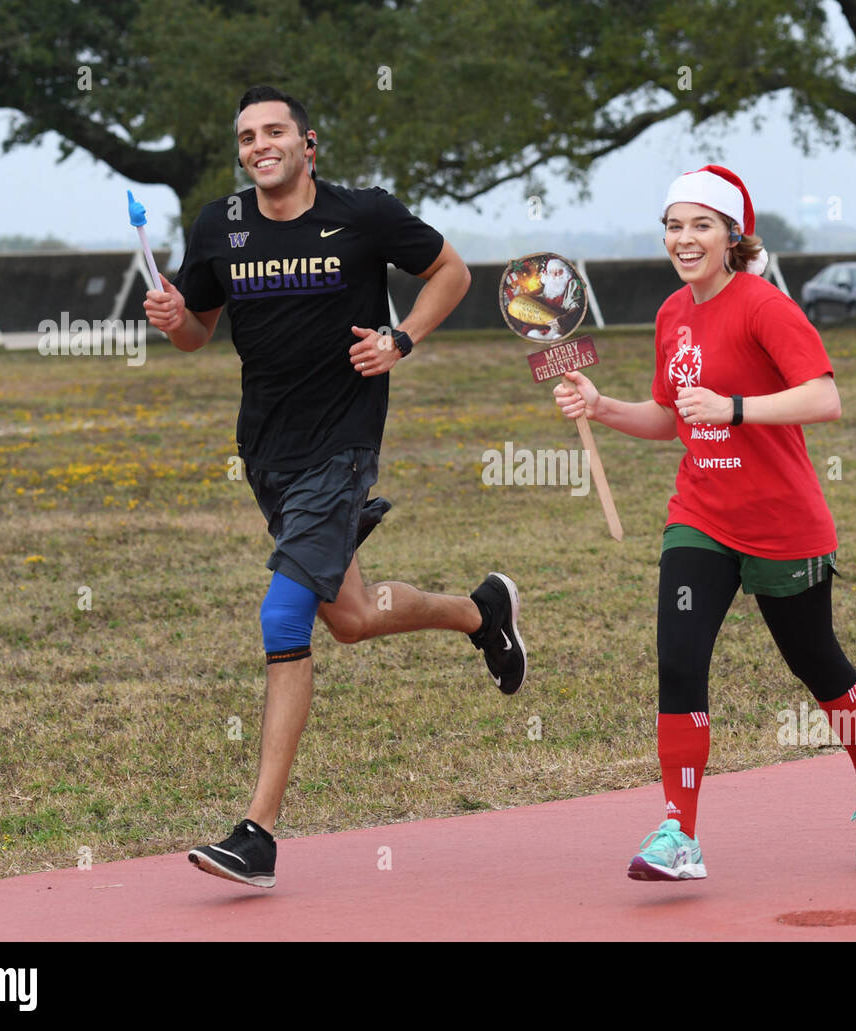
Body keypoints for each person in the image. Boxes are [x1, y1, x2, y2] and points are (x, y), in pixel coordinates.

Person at [143, 85, 526, 888]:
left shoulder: (365, 215)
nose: (260, 144)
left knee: (284, 612)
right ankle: (481, 611)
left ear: (308, 143)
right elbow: (195, 335)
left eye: (274, 130)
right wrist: (173, 314)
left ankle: (258, 831)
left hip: (343, 447)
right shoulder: (221, 225)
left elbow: (450, 272)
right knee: (349, 619)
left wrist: (402, 337)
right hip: (268, 454)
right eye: (247, 135)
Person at [553, 165, 856, 879]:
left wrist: (737, 407)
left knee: (818, 663)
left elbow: (824, 398)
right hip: (701, 516)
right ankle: (677, 832)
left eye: (700, 225)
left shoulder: (764, 306)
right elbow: (669, 416)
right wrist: (602, 407)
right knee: (680, 661)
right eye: (674, 225)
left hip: (784, 523)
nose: (683, 239)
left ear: (732, 237)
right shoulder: (670, 315)